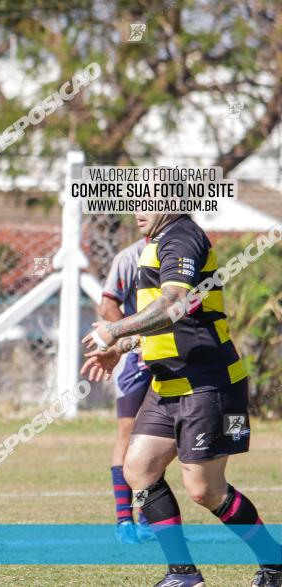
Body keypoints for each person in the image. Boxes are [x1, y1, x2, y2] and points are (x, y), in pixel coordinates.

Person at [83, 213, 282, 587]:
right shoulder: (156, 245)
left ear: (172, 201)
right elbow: (168, 323)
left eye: (149, 198)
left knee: (205, 490)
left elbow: (174, 303)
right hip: (168, 384)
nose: (138, 208)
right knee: (139, 468)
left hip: (207, 384)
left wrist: (114, 330)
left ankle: (275, 562)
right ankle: (183, 574)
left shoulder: (183, 237)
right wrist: (123, 345)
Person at [99, 237, 154, 545]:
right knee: (128, 434)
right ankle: (125, 520)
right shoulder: (129, 257)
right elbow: (107, 305)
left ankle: (149, 517)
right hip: (135, 361)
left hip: (173, 358)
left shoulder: (184, 248)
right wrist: (134, 339)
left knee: (160, 436)